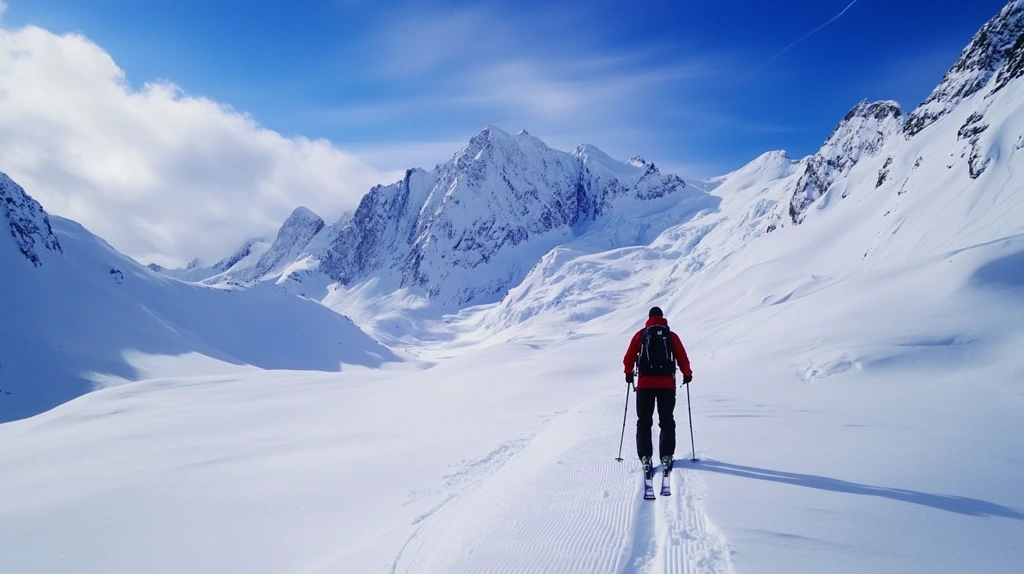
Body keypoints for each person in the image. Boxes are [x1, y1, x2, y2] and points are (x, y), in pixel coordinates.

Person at [622, 306, 693, 474]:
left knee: (644, 421)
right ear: (662, 317)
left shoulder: (642, 334)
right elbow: (682, 357)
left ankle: (645, 457)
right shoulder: (671, 336)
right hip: (667, 385)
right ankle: (666, 456)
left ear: (649, 318)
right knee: (667, 420)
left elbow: (629, 357)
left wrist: (628, 373)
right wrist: (687, 374)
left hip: (645, 385)